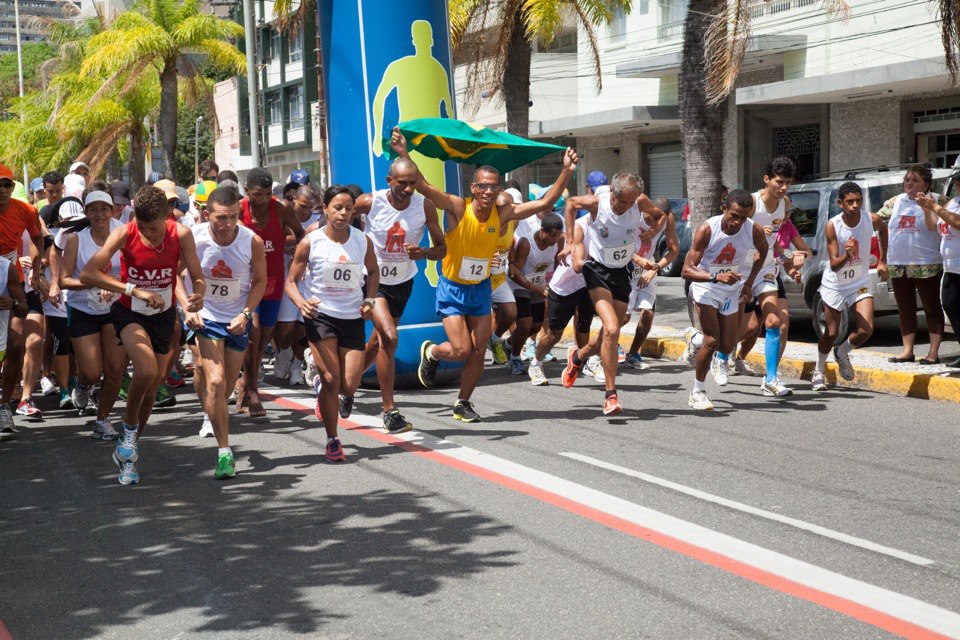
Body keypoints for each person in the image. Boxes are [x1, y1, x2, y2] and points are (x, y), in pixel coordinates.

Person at [393, 128, 578, 422]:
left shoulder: (502, 214)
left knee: (479, 351)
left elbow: (543, 204)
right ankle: (433, 354)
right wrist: (404, 153)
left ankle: (463, 403)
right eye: (484, 186)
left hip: (480, 289)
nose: (490, 191)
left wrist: (566, 171)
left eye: (494, 186)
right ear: (474, 188)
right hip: (453, 288)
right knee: (461, 349)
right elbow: (424, 187)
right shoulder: (457, 207)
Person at [81, 185, 205, 485]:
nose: (149, 234)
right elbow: (88, 273)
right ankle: (127, 430)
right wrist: (132, 289)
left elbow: (197, 276)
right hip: (129, 312)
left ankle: (130, 443)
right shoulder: (125, 232)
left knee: (152, 387)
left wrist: (197, 294)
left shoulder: (182, 234)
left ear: (168, 217)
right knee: (146, 369)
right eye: (144, 227)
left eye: (155, 227)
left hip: (162, 316)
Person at [560, 172, 667, 415]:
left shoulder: (639, 202)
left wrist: (652, 230)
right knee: (611, 328)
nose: (627, 207)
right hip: (596, 269)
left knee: (613, 329)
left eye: (632, 202)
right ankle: (611, 395)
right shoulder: (598, 203)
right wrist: (569, 240)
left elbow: (661, 216)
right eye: (623, 202)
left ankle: (578, 357)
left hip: (622, 271)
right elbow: (570, 204)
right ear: (613, 194)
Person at [285, 186, 378, 463]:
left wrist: (370, 300)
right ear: (325, 209)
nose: (343, 213)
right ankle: (332, 439)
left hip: (352, 318)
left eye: (348, 208)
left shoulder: (362, 240)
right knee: (331, 380)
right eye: (337, 207)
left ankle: (318, 382)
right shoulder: (311, 242)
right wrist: (301, 303)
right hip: (321, 317)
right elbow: (292, 280)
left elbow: (373, 272)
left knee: (348, 386)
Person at [354, 157, 445, 433]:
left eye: (413, 184)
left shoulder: (425, 205)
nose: (408, 190)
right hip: (373, 281)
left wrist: (425, 253)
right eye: (402, 184)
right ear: (389, 181)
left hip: (402, 282)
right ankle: (389, 410)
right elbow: (340, 225)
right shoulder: (369, 202)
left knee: (375, 344)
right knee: (390, 338)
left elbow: (442, 248)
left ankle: (348, 387)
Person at [185, 186, 266, 478]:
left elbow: (260, 281)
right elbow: (174, 275)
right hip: (205, 317)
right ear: (208, 214)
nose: (227, 224)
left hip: (236, 320)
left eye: (233, 217)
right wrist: (187, 307)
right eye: (221, 218)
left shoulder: (251, 241)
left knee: (227, 387)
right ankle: (224, 453)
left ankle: (213, 414)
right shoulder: (194, 237)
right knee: (216, 382)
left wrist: (246, 313)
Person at [715, 158, 797, 396]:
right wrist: (755, 233)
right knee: (736, 328)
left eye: (788, 183)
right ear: (766, 179)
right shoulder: (750, 203)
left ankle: (771, 379)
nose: (783, 188)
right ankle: (720, 356)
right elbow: (728, 228)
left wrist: (792, 259)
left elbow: (778, 243)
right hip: (741, 270)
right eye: (779, 182)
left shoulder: (785, 204)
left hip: (766, 268)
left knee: (775, 322)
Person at [682, 189, 768, 410]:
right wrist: (715, 276)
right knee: (712, 341)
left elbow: (763, 249)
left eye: (743, 217)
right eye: (734, 216)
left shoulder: (753, 230)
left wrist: (748, 283)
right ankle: (697, 392)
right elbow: (686, 271)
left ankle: (694, 339)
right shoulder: (707, 229)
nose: (737, 222)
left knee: (727, 344)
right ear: (724, 209)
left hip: (730, 289)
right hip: (706, 287)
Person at [236, 168, 305, 417]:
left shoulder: (282, 209)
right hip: (246, 282)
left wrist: (296, 255)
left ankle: (245, 382)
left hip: (273, 280)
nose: (264, 200)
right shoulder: (238, 209)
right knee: (252, 336)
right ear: (247, 192)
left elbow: (300, 235)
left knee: (264, 337)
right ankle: (254, 393)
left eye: (267, 194)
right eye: (257, 195)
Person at [59, 191, 126, 438]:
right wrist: (97, 283)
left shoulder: (123, 234)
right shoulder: (77, 239)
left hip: (115, 310)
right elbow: (63, 280)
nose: (99, 214)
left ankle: (102, 420)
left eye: (104, 209)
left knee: (115, 368)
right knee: (91, 371)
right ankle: (85, 385)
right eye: (93, 209)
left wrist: (114, 284)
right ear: (86, 213)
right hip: (82, 310)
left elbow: (132, 271)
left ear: (112, 211)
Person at [812, 182, 888, 389]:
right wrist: (848, 254)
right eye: (850, 202)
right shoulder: (833, 225)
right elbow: (835, 265)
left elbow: (883, 230)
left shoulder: (871, 219)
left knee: (866, 330)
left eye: (858, 201)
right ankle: (819, 370)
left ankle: (842, 352)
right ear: (840, 203)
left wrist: (883, 260)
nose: (855, 205)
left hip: (859, 281)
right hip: (835, 283)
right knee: (831, 332)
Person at [877, 165, 946, 365]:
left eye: (915, 180)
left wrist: (927, 207)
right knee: (905, 308)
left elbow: (940, 225)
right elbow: (877, 219)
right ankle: (907, 351)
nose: (909, 183)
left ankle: (933, 353)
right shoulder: (895, 201)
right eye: (907, 179)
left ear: (926, 184)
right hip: (899, 262)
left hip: (927, 262)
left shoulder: (938, 200)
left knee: (931, 307)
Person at [0, 164, 48, 434]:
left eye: (7, 184)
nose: (2, 190)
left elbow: (39, 239)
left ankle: (5, 405)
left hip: (12, 279)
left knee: (17, 345)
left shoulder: (25, 210)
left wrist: (36, 271)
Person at [526, 216, 594, 385]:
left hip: (586, 285)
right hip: (564, 288)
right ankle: (535, 363)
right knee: (554, 334)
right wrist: (569, 246)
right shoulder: (579, 229)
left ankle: (583, 361)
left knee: (584, 326)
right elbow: (573, 254)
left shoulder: (608, 231)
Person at [273, 184, 324, 386]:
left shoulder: (318, 220)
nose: (307, 211)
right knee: (286, 326)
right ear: (294, 200)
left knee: (304, 327)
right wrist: (290, 248)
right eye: (303, 206)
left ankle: (297, 365)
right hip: (288, 277)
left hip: (309, 280)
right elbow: (273, 241)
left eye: (311, 207)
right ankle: (283, 353)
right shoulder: (285, 215)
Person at [623, 196, 679, 370]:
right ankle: (602, 349)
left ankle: (632, 354)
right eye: (651, 218)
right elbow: (616, 244)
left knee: (648, 313)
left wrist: (654, 269)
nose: (653, 223)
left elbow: (674, 250)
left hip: (647, 267)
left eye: (659, 219)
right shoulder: (634, 213)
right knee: (623, 317)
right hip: (625, 265)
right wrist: (636, 258)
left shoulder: (667, 219)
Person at [506, 213, 564, 374]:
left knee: (536, 326)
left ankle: (510, 343)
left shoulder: (559, 241)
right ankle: (515, 358)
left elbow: (559, 264)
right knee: (525, 323)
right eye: (552, 235)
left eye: (558, 235)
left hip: (538, 284)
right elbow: (514, 272)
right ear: (543, 230)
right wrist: (534, 288)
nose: (555, 239)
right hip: (518, 284)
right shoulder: (526, 243)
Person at [917, 177, 960, 368]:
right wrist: (927, 210)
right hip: (951, 266)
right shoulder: (953, 202)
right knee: (951, 306)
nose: (958, 184)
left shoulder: (946, 206)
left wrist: (934, 207)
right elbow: (933, 226)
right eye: (957, 181)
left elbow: (958, 222)